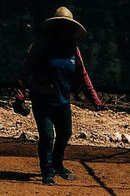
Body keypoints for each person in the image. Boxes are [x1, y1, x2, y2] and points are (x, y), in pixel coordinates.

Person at [14, 6, 103, 185]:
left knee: (65, 133)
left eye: (67, 26)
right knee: (47, 136)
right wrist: (20, 96)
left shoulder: (73, 50)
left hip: (63, 101)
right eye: (61, 25)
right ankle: (47, 171)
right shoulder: (41, 47)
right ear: (55, 27)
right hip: (42, 100)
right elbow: (26, 71)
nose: (65, 29)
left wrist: (94, 99)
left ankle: (57, 164)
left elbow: (83, 74)